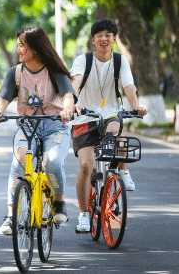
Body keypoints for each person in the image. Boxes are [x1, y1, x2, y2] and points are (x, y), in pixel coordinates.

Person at [0, 26, 76, 235]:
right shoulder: (16, 72)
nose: (18, 49)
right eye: (18, 45)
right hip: (27, 127)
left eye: (22, 45)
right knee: (19, 161)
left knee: (52, 161)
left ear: (35, 48)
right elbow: (3, 99)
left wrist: (67, 109)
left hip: (55, 126)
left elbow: (68, 96)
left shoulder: (54, 71)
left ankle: (59, 202)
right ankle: (11, 216)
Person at [70, 19, 148, 233]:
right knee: (86, 166)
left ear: (114, 39)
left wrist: (136, 106)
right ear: (93, 40)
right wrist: (73, 103)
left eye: (108, 35)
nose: (104, 39)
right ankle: (84, 214)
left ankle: (122, 170)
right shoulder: (82, 61)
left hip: (109, 114)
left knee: (116, 129)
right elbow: (74, 82)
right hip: (84, 117)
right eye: (99, 35)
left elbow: (129, 86)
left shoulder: (120, 61)